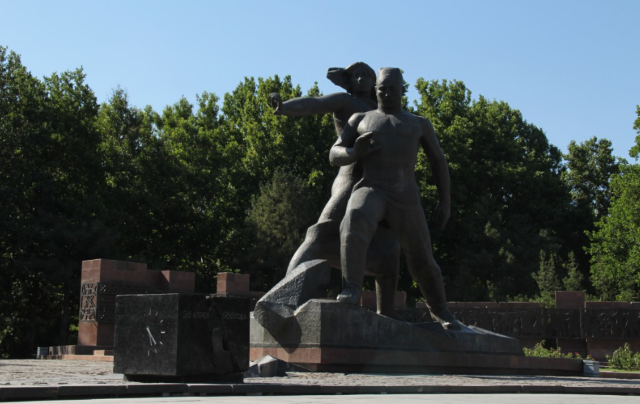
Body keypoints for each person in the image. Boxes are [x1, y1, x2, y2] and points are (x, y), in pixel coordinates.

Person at [329, 67, 461, 328]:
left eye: (392, 89)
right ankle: (352, 288)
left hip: (405, 195)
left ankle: (440, 310)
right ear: (376, 90)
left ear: (402, 90)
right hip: (372, 187)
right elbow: (334, 153)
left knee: (422, 258)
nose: (387, 93)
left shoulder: (418, 123)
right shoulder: (360, 119)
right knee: (354, 218)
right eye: (382, 89)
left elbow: (438, 161)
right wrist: (354, 152)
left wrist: (445, 202)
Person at [269, 62, 401, 316]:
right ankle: (283, 299)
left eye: (366, 75)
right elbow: (314, 103)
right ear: (348, 81)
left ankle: (387, 315)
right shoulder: (345, 101)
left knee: (389, 249)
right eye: (355, 76)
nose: (360, 79)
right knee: (320, 234)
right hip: (350, 178)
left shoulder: (385, 110)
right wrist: (284, 107)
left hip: (380, 185)